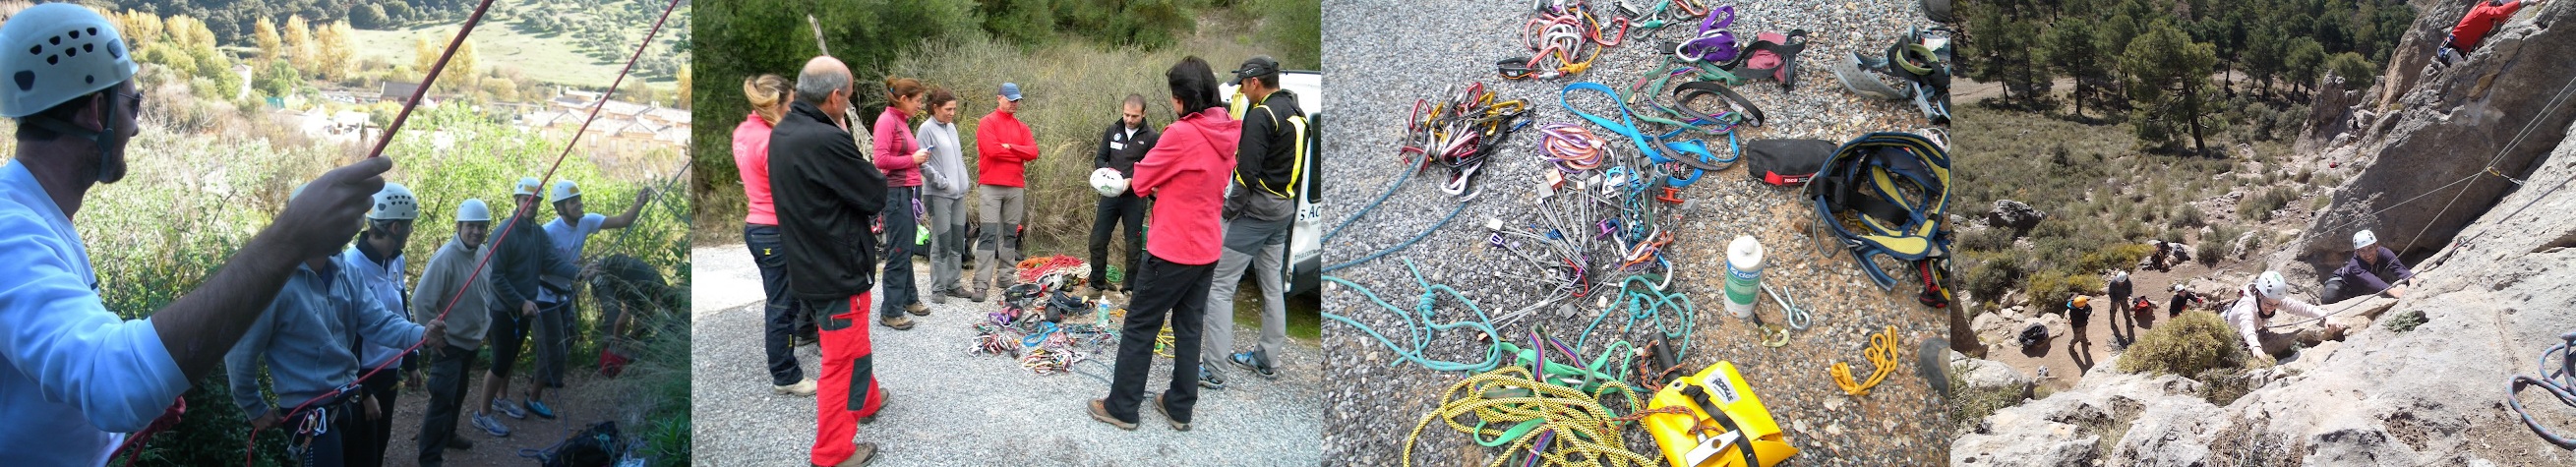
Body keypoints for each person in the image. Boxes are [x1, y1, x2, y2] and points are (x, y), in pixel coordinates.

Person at [0, 5, 389, 463]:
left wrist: (153, 376)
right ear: (95, 110)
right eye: (133, 103)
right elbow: (112, 383)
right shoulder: (12, 233)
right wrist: (290, 238)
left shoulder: (37, 217)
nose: (137, 125)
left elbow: (81, 353)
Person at [225, 183, 441, 467]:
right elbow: (241, 350)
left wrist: (420, 334)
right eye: (336, 219)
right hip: (309, 412)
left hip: (347, 399)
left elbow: (376, 320)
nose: (347, 227)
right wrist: (253, 406)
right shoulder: (275, 285)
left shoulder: (345, 271)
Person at [1089, 56, 1240, 433]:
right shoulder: (1226, 129)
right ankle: (1179, 405)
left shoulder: (1180, 133)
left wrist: (1121, 180)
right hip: (1207, 248)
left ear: (1179, 99)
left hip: (1173, 249)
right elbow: (1195, 178)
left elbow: (1141, 180)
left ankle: (1122, 406)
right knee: (1189, 327)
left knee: (1141, 325)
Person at [771, 55, 892, 466]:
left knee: (852, 343)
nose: (849, 104)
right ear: (836, 96)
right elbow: (874, 192)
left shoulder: (785, 130)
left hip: (808, 263)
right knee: (843, 361)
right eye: (850, 97)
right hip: (836, 271)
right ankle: (833, 452)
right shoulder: (825, 139)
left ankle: (870, 399)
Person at [1202, 56, 1306, 388]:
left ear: (1255, 82)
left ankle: (1214, 370)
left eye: (1243, 86)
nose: (1242, 92)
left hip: (1256, 214)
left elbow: (1246, 174)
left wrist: (1227, 212)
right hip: (1283, 211)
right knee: (1272, 285)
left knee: (1219, 287)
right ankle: (1266, 359)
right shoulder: (1296, 112)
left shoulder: (1262, 115)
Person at [471, 177, 577, 437]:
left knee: (510, 359)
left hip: (524, 308)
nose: (531, 205)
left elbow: (551, 261)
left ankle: (501, 397)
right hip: (504, 308)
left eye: (536, 201)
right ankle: (482, 414)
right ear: (517, 201)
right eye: (527, 200)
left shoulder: (538, 234)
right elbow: (496, 277)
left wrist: (579, 272)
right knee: (500, 361)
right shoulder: (504, 233)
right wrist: (520, 302)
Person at [738, 74, 820, 396]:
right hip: (774, 229)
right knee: (781, 305)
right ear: (777, 105)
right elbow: (793, 190)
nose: (793, 110)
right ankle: (785, 375)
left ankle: (796, 350)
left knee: (782, 299)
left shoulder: (745, 131)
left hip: (757, 226)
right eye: (790, 104)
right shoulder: (771, 141)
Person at [341, 182, 421, 467]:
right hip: (363, 377)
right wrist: (363, 393)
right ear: (396, 228)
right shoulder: (351, 266)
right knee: (360, 451)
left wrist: (410, 361)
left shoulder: (395, 261)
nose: (412, 232)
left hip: (389, 370)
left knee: (380, 444)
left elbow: (401, 312)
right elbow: (347, 337)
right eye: (410, 226)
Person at [415, 199, 495, 465]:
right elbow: (421, 301)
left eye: (481, 227)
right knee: (442, 401)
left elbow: (484, 290)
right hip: (448, 345)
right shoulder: (446, 258)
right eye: (471, 226)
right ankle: (429, 458)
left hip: (470, 341)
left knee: (457, 394)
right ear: (459, 226)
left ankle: (448, 435)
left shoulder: (482, 252)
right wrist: (431, 336)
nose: (476, 232)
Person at [969, 82, 1041, 302]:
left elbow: (1033, 152)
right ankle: (981, 284)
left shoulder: (1022, 128)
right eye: (1010, 100)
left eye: (1017, 100)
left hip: (1015, 187)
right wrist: (1017, 153)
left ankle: (1005, 277)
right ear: (999, 98)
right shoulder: (986, 123)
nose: (1014, 104)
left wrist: (1011, 148)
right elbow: (991, 151)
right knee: (989, 234)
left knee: (1010, 234)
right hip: (991, 185)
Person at [873, 77, 934, 326]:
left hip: (909, 191)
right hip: (896, 193)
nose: (920, 105)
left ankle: (909, 299)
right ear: (903, 99)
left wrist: (918, 158)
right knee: (899, 251)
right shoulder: (887, 121)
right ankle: (890, 310)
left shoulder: (902, 121)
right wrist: (913, 160)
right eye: (917, 101)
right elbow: (880, 160)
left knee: (907, 248)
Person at [1089, 94, 1157, 298]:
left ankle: (1130, 289)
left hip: (1135, 197)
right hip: (1110, 194)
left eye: (1134, 116)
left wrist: (1132, 180)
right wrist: (1107, 174)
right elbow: (1100, 158)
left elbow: (1153, 167)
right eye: (1126, 114)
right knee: (1097, 240)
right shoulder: (1112, 130)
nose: (1129, 119)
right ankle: (1096, 283)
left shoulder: (1152, 136)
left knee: (1133, 244)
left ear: (1143, 114)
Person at [918, 88, 973, 305]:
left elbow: (956, 159)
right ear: (935, 108)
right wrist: (942, 182)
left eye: (954, 109)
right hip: (938, 194)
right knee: (942, 240)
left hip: (958, 194)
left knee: (957, 239)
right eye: (948, 109)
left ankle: (954, 284)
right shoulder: (926, 130)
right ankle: (938, 288)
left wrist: (963, 182)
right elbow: (923, 162)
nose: (952, 113)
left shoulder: (951, 128)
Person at [2228, 271, 2345, 360]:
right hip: (2230, 332)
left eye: (2276, 304)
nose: (2271, 308)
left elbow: (2301, 308)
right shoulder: (2247, 306)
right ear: (2259, 295)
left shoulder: (2272, 298)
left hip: (2249, 331)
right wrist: (2255, 347)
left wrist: (2326, 316)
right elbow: (2246, 326)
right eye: (2268, 303)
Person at [2324, 229, 2416, 303]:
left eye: (2370, 248)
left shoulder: (2384, 253)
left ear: (2376, 246)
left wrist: (2410, 278)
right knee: (2329, 298)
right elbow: (2370, 280)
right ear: (2357, 252)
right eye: (2362, 250)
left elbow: (2398, 268)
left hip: (2357, 288)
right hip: (2342, 281)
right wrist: (2393, 291)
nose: (2367, 254)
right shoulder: (2355, 264)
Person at [2441, 0, 2544, 66]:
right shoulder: (2483, 11)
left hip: (2462, 51)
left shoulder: (2487, 9)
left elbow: (2505, 17)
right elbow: (2501, 12)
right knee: (2460, 67)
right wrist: (2521, 3)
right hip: (2449, 49)